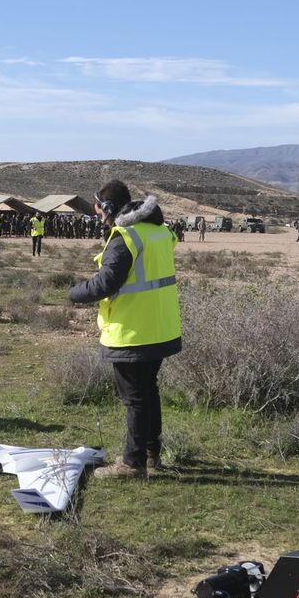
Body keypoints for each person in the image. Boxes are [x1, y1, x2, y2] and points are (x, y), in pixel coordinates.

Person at [68, 180, 182, 478]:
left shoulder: (126, 237)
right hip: (160, 326)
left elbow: (107, 282)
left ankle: (132, 463)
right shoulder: (158, 231)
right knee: (148, 393)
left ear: (107, 207)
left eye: (98, 208)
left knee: (135, 399)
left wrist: (75, 292)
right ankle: (151, 454)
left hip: (132, 331)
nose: (96, 214)